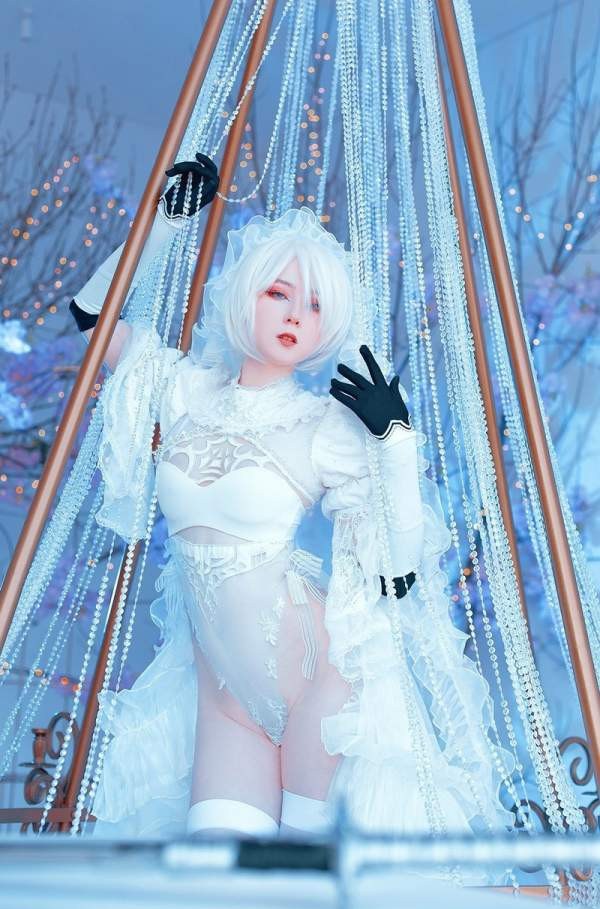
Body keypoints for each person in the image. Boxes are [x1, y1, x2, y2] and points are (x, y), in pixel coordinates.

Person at [69, 154, 514, 845]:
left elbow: (397, 572)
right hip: (226, 700)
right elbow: (91, 316)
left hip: (319, 687)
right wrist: (161, 226)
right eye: (279, 293)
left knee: (309, 883)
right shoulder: (181, 389)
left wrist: (396, 443)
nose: (295, 316)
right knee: (216, 878)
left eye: (314, 306)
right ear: (244, 294)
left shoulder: (323, 426)